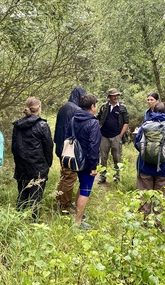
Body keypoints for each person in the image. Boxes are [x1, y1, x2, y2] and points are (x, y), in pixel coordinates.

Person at [134, 102, 165, 220]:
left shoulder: (145, 126)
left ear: (153, 112)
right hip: (163, 169)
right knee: (161, 197)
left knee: (144, 196)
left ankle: (144, 222)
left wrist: (146, 155)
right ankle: (158, 224)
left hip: (144, 167)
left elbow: (137, 144)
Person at [12, 97, 53, 221]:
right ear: (39, 108)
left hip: (21, 165)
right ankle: (33, 222)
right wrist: (48, 164)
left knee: (22, 193)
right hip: (38, 166)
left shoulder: (18, 125)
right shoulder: (42, 125)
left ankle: (18, 219)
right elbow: (48, 147)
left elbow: (14, 147)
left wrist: (18, 161)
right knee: (36, 196)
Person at [67, 94, 101, 229]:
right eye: (96, 105)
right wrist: (93, 166)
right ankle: (78, 222)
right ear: (92, 106)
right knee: (86, 189)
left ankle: (77, 214)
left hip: (75, 159)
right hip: (86, 162)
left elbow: (68, 137)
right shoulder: (93, 122)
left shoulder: (73, 119)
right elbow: (94, 146)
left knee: (81, 186)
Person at [53, 87, 87, 214]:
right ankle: (65, 207)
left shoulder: (64, 107)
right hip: (70, 149)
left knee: (64, 176)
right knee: (69, 177)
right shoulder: (76, 110)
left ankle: (59, 201)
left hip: (60, 146)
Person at [96, 88, 129, 184]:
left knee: (117, 158)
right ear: (109, 97)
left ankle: (117, 177)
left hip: (116, 136)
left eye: (117, 95)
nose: (116, 97)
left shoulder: (122, 107)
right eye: (114, 95)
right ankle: (102, 177)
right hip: (104, 136)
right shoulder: (104, 107)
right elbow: (98, 118)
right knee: (103, 158)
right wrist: (97, 131)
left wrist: (120, 135)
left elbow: (126, 122)